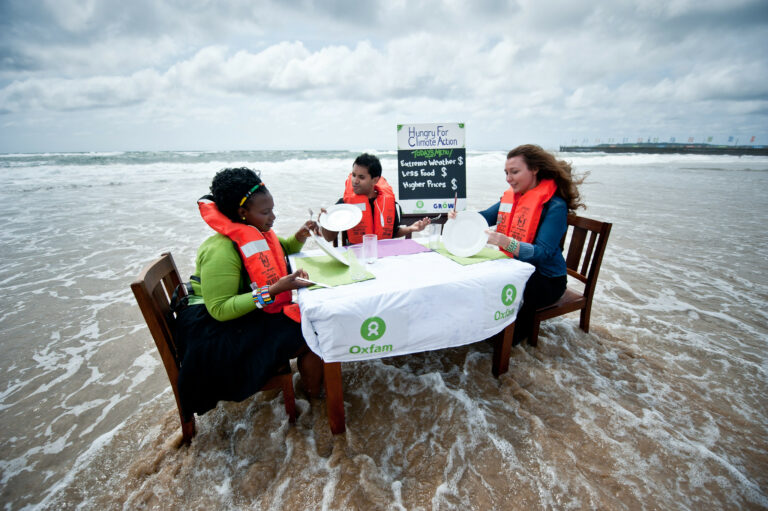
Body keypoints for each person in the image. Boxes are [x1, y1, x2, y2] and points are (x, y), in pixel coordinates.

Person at [175, 167, 324, 416]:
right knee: (313, 331)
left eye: (273, 209)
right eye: (266, 212)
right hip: (213, 331)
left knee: (307, 320)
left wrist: (299, 236)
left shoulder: (257, 231)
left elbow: (281, 248)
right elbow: (220, 309)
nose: (273, 217)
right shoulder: (220, 250)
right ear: (242, 213)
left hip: (240, 314)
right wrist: (275, 290)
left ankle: (313, 393)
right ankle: (317, 403)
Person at [449, 144, 585, 344]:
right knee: (480, 281)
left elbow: (544, 253)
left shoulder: (556, 206)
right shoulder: (512, 198)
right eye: (506, 173)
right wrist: (459, 217)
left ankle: (506, 338)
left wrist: (508, 243)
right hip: (518, 268)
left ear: (534, 169)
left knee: (500, 340)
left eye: (514, 172)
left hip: (546, 280)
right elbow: (485, 217)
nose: (508, 178)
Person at [321, 153, 431, 244]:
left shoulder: (389, 204)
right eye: (353, 175)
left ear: (375, 180)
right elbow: (328, 238)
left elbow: (392, 233)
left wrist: (411, 228)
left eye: (361, 177)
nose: (355, 181)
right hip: (356, 257)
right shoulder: (344, 204)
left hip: (382, 257)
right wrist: (326, 222)